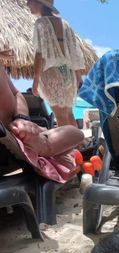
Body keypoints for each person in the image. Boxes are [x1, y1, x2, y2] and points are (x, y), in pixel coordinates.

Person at [1, 54, 83, 182]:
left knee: (75, 133)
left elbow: (17, 94)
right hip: (8, 142)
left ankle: (44, 145)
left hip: (20, 129)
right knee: (73, 134)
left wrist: (22, 117)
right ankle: (43, 146)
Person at [27, 0, 85, 128]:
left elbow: (40, 53)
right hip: (68, 73)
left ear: (39, 3)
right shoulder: (65, 24)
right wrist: (78, 75)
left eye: (29, 1)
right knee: (69, 114)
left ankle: (67, 148)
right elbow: (75, 52)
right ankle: (76, 146)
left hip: (51, 72)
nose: (27, 4)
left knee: (60, 116)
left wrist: (36, 79)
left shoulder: (41, 23)